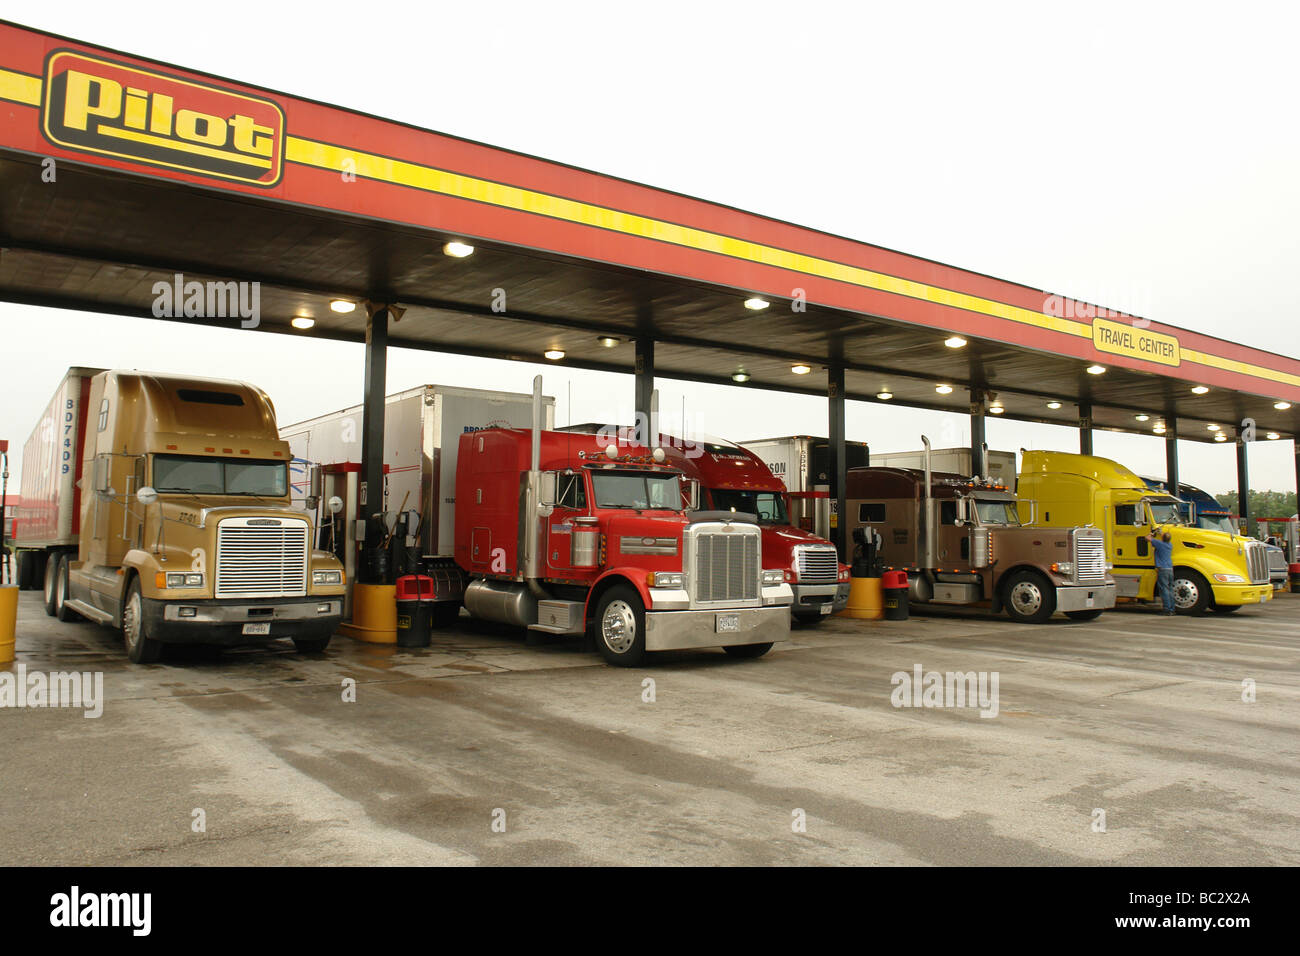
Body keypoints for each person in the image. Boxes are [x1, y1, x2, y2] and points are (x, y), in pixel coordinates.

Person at [1148, 528, 1175, 615]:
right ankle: (1172, 609)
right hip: (1170, 569)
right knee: (1170, 589)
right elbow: (1165, 536)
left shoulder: (1159, 544)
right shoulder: (1170, 545)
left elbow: (1147, 538)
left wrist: (1151, 533)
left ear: (1162, 538)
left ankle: (1166, 609)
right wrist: (1161, 532)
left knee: (1164, 590)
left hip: (1162, 569)